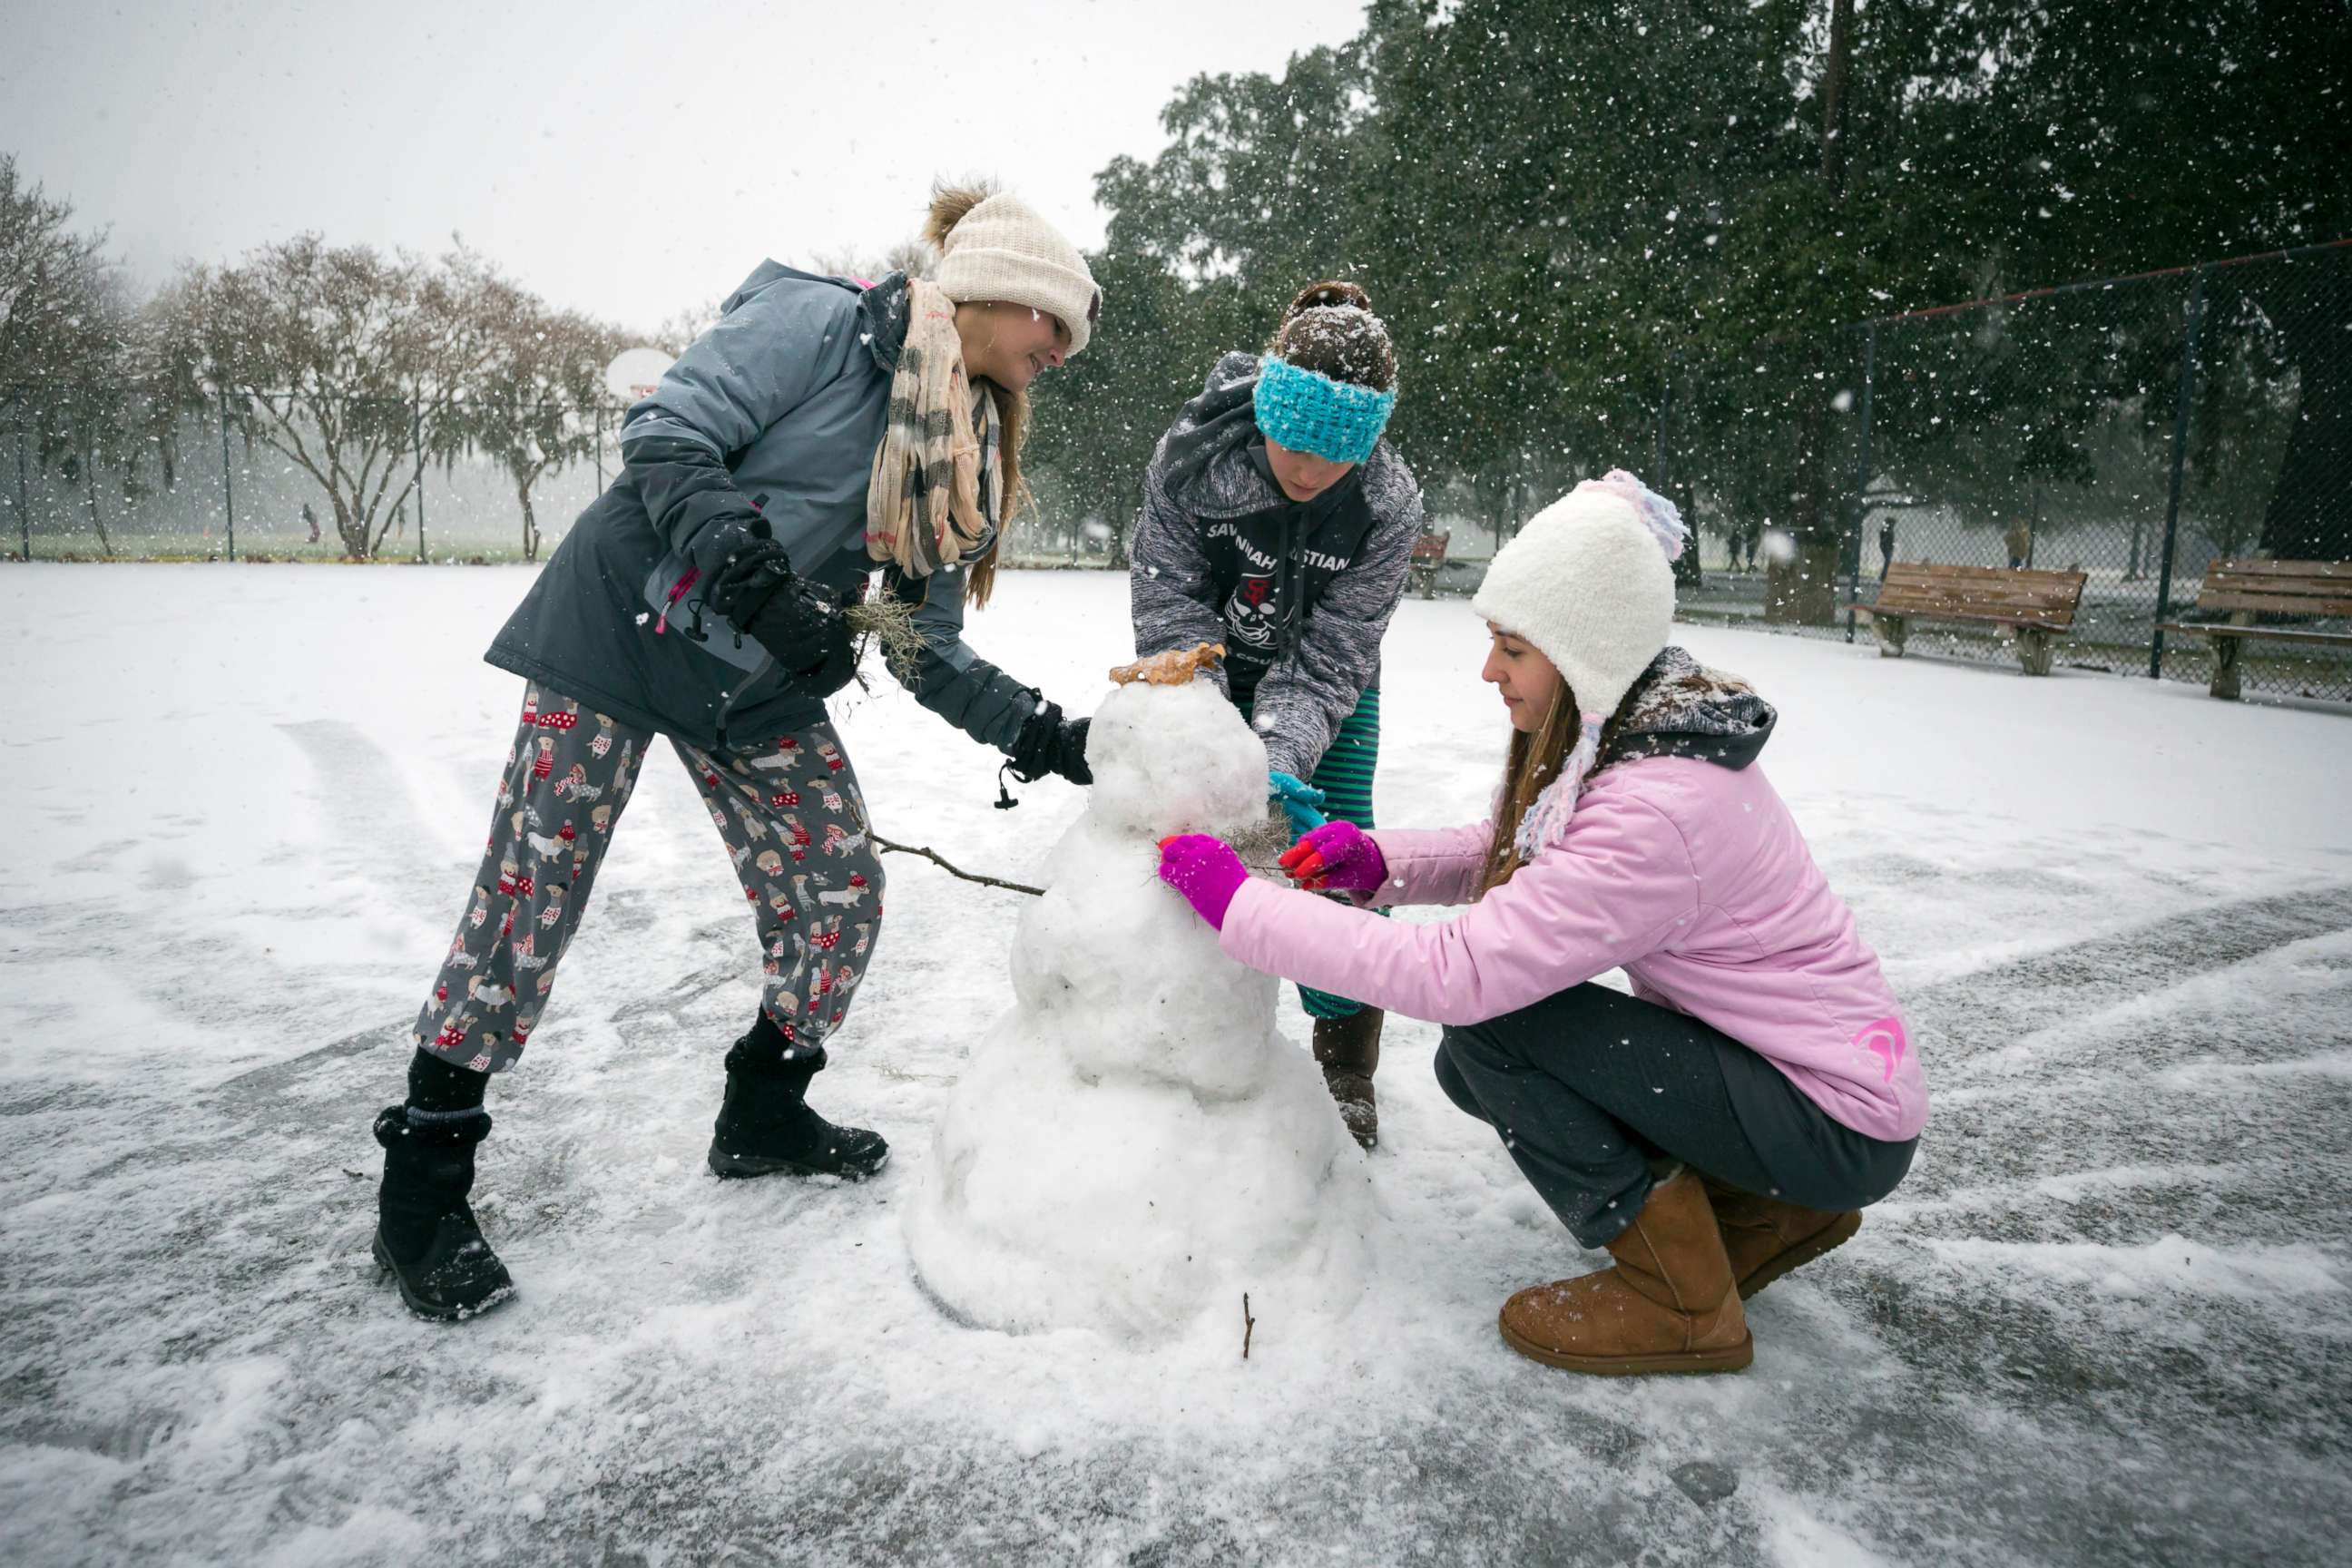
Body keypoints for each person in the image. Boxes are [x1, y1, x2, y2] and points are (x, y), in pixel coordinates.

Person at [368, 184, 1102, 1320]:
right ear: (994, 290)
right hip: (619, 628)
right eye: (1052, 322)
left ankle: (762, 1111)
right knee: (532, 892)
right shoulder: (822, 322)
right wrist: (755, 574)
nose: (1062, 350)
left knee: (839, 889)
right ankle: (424, 1184)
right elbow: (668, 431)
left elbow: (923, 647)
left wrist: (1049, 736)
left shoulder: (961, 445)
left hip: (753, 684)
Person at [1155, 471, 1925, 1376]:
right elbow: (1511, 845)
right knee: (1476, 1065)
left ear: (1582, 652)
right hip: (1802, 1084)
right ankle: (1768, 1211)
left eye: (1512, 649)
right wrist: (1378, 860)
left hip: (1832, 1116)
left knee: (1489, 1024)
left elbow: (1456, 974)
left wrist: (1239, 907)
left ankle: (1684, 1301)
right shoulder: (1633, 737)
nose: (1490, 672)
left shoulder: (1658, 808)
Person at [1129, 280, 1425, 1149]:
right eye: (1288, 440)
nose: (1302, 469)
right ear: (1265, 406)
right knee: (1197, 832)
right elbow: (1170, 603)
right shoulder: (1193, 461)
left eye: (1328, 456)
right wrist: (1218, 735)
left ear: (1365, 446)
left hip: (1330, 687)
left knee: (1335, 851)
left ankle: (1345, 1056)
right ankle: (1185, 1025)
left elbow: (1336, 651)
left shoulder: (1387, 504)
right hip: (1203, 671)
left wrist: (1283, 752)